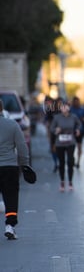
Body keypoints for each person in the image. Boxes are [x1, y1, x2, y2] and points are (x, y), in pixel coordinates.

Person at [0, 99, 30, 239]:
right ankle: (10, 226)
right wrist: (24, 164)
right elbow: (22, 147)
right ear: (2, 109)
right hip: (9, 167)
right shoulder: (12, 125)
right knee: (11, 197)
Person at [50, 101, 82, 192]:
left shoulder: (73, 117)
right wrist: (56, 130)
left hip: (70, 142)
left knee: (70, 161)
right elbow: (51, 128)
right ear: (60, 108)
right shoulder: (56, 118)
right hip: (60, 143)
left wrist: (78, 130)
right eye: (62, 107)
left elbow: (79, 124)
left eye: (66, 107)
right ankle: (62, 182)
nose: (64, 108)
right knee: (62, 162)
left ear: (69, 107)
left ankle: (71, 182)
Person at [69, 96, 84, 168]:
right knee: (71, 147)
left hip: (80, 130)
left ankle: (78, 162)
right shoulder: (70, 110)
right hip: (71, 131)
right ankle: (72, 159)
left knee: (79, 146)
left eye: (77, 101)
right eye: (75, 101)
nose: (76, 103)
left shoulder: (82, 110)